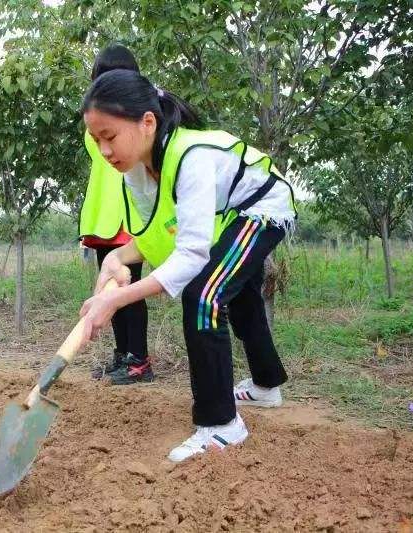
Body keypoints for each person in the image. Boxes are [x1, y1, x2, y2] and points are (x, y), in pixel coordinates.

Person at [78, 70, 297, 463]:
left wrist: (118, 300)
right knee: (238, 294)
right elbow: (160, 237)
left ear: (147, 123)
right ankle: (266, 386)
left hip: (262, 207)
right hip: (228, 214)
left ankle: (222, 425)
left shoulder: (192, 158)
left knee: (204, 295)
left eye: (110, 136)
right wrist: (114, 258)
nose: (105, 151)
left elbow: (191, 256)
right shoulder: (134, 174)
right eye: (97, 141)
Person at [79, 44, 151, 385]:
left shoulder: (137, 122)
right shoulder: (96, 125)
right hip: (103, 218)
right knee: (108, 294)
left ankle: (139, 360)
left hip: (129, 220)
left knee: (129, 293)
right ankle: (122, 356)